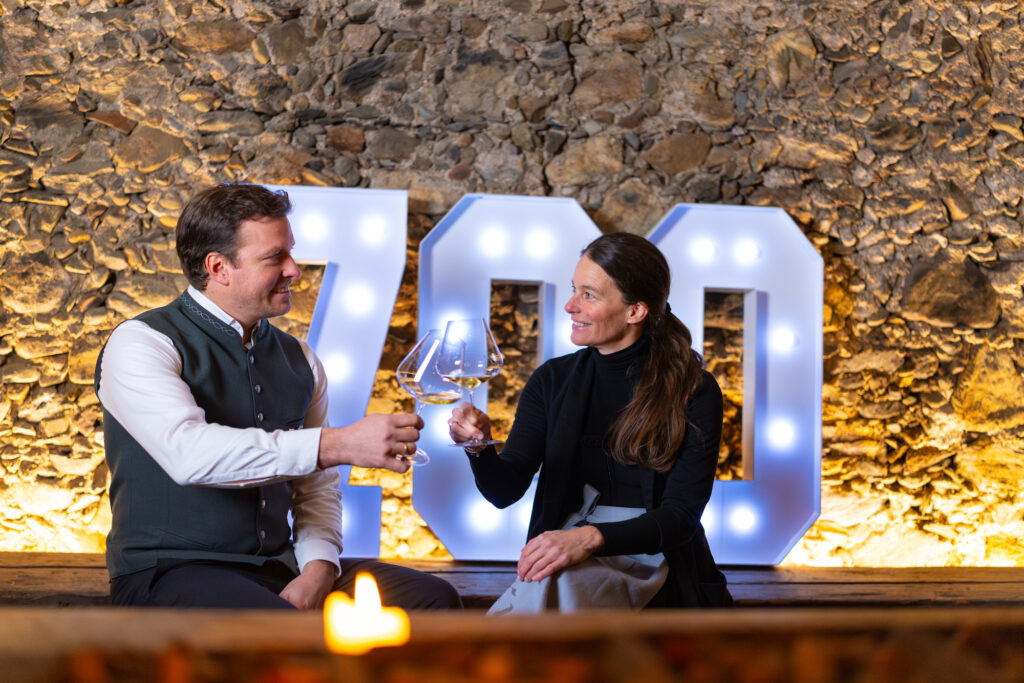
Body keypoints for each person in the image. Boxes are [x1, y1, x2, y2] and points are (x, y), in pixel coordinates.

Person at [96, 183, 461, 610]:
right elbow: (189, 454)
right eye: (275, 258)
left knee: (433, 600)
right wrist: (338, 443)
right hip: (170, 573)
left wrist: (320, 567)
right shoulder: (141, 342)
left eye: (291, 251)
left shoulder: (300, 358)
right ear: (218, 268)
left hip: (278, 568)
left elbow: (316, 486)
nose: (295, 270)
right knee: (277, 628)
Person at [448, 232, 732, 611]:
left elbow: (680, 518)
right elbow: (504, 492)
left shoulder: (694, 389)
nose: (569, 306)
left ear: (635, 311)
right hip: (562, 549)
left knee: (556, 589)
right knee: (557, 580)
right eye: (573, 290)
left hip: (656, 558)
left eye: (589, 295)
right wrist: (478, 447)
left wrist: (588, 538)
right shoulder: (551, 380)